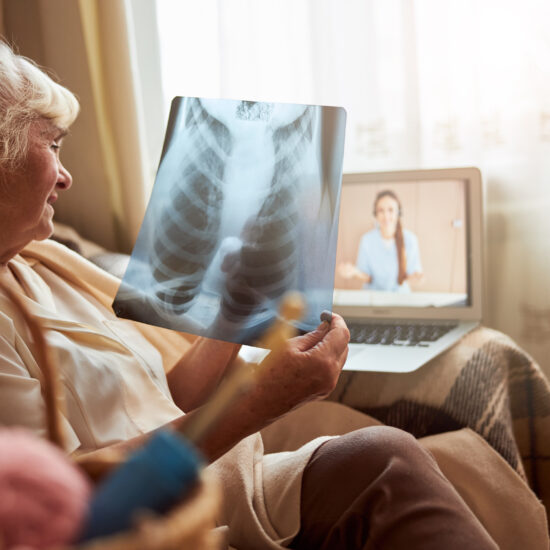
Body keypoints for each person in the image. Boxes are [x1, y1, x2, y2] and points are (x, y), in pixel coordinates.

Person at [0, 41, 498, 549]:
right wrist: (257, 402)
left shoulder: (39, 267)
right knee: (386, 461)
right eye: (53, 145)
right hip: (157, 516)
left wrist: (233, 317)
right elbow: (59, 504)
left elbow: (157, 400)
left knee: (425, 460)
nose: (66, 177)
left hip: (210, 470)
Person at [339, 190, 423, 292]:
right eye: (381, 210)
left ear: (398, 213)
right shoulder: (367, 240)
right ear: (376, 214)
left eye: (391, 210)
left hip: (400, 298)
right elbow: (367, 277)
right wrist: (354, 272)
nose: (386, 216)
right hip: (372, 297)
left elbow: (411, 275)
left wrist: (417, 278)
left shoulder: (410, 240)